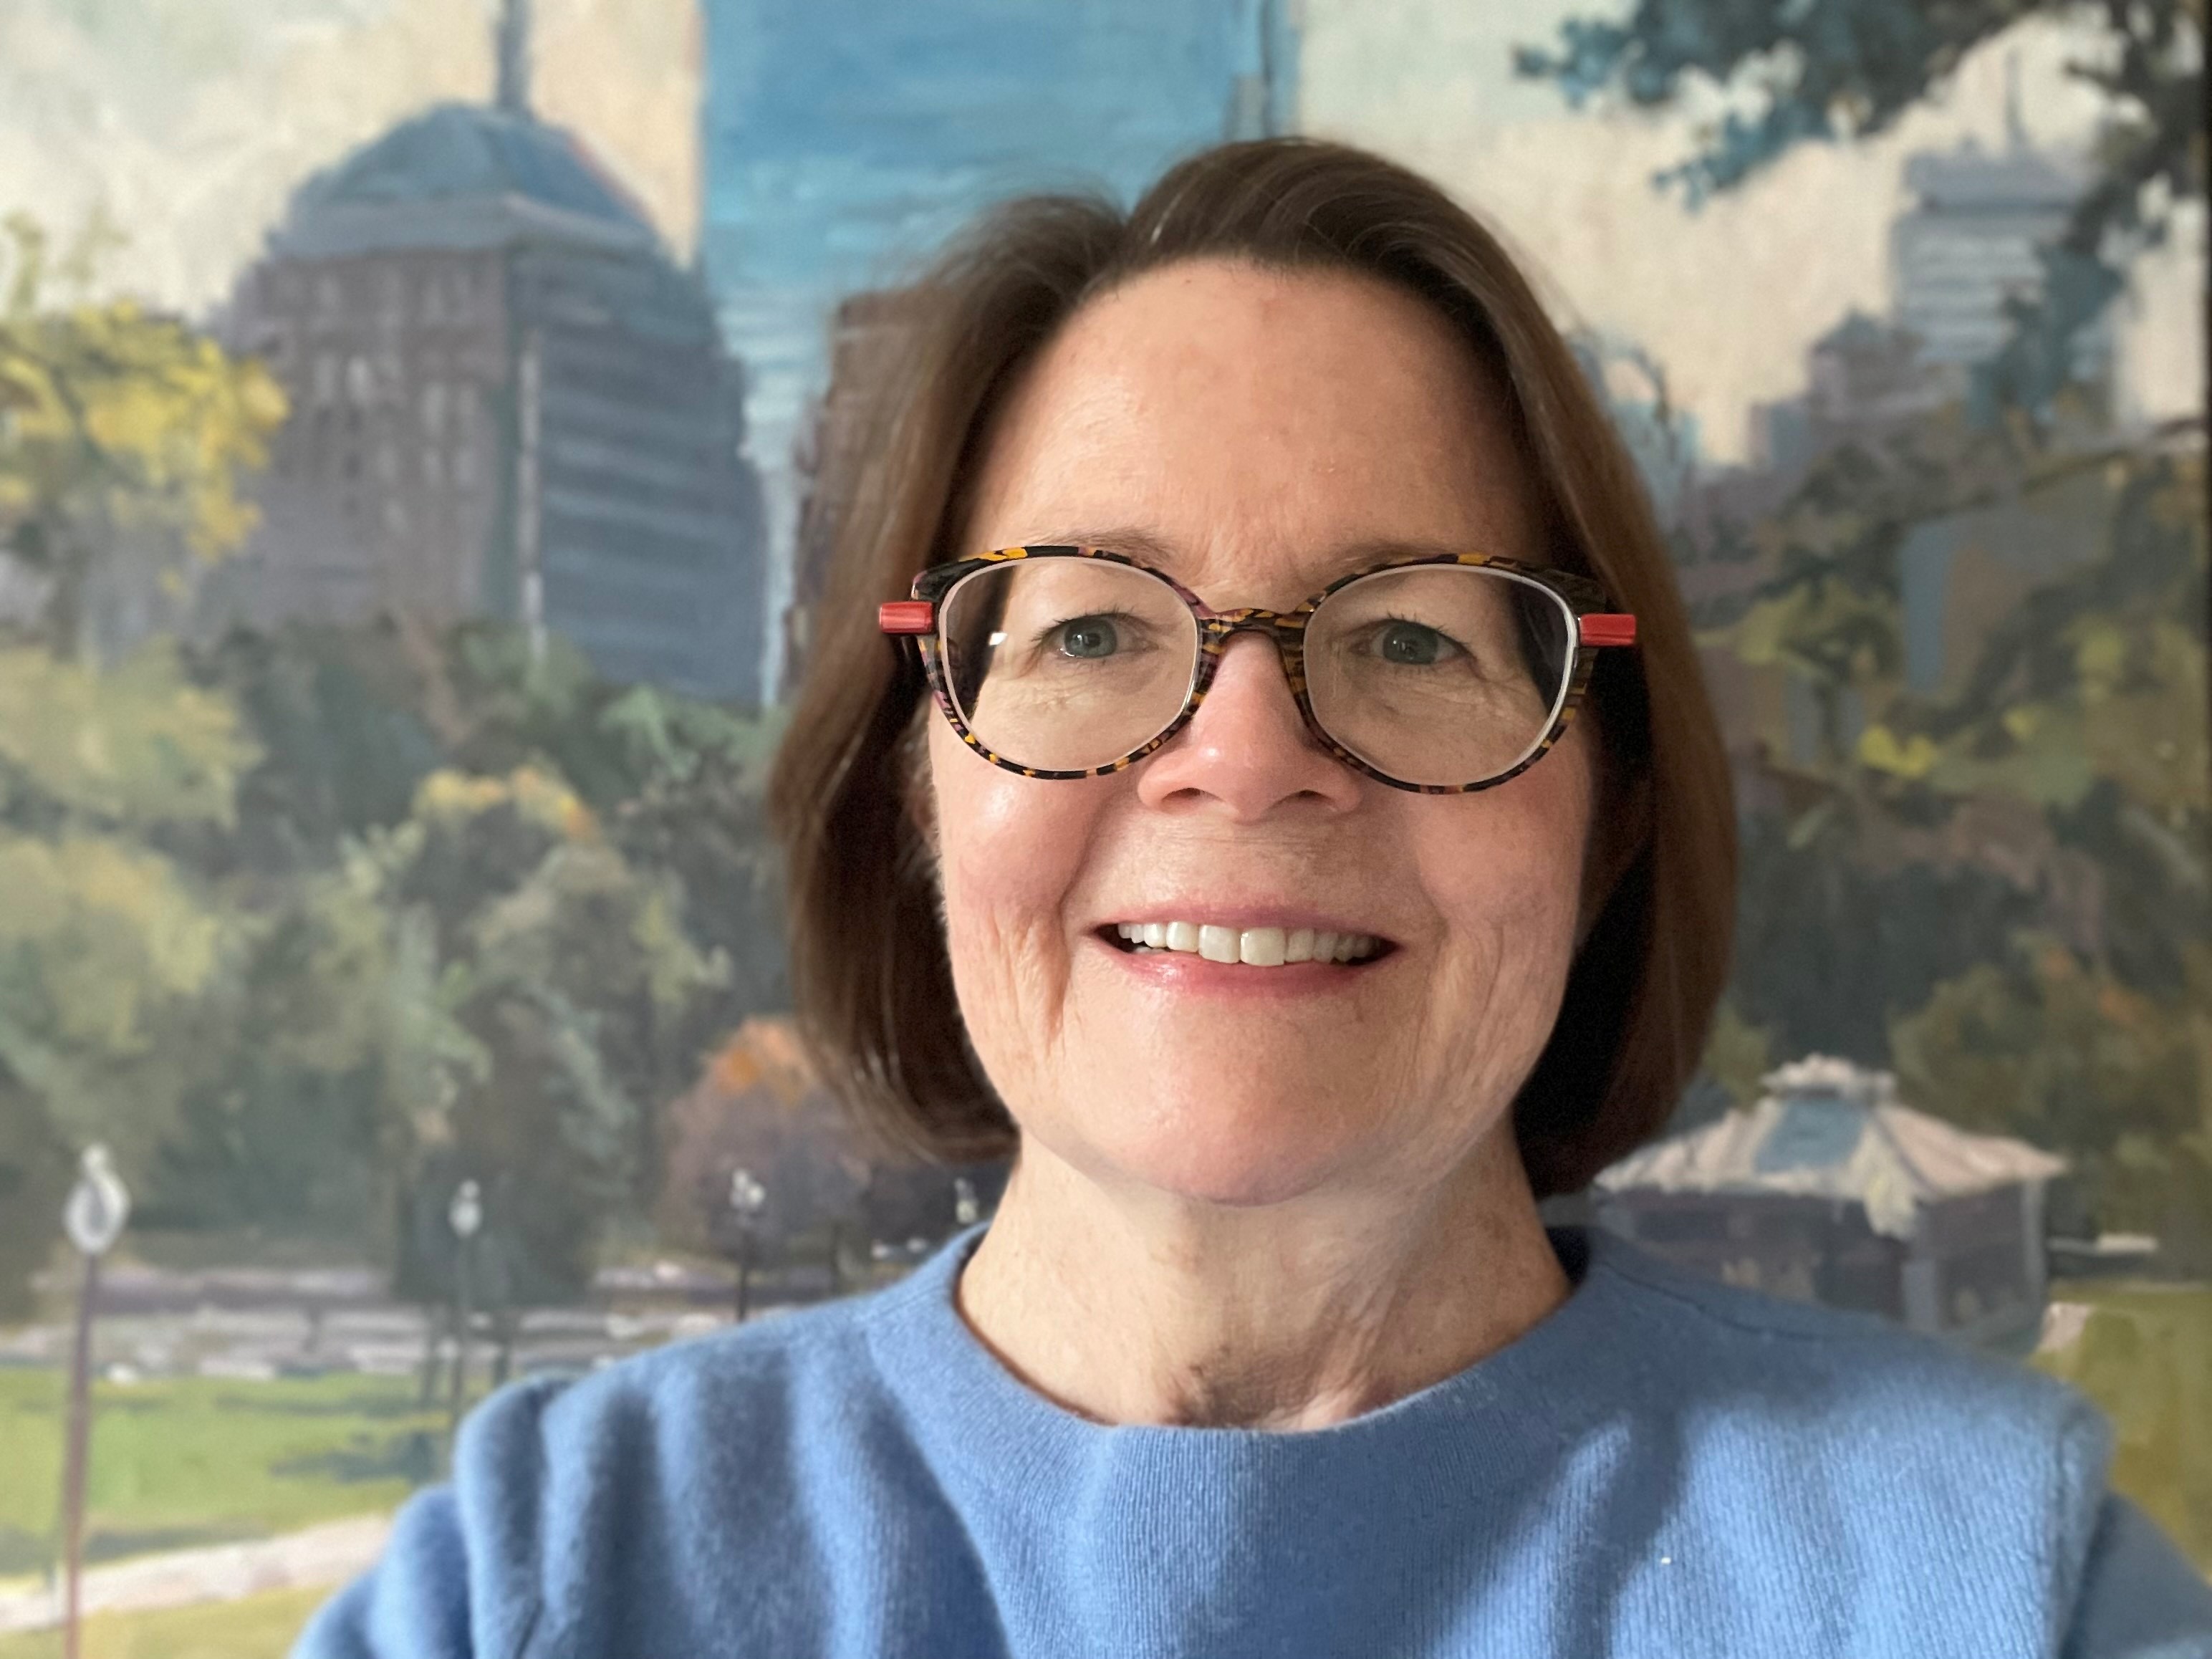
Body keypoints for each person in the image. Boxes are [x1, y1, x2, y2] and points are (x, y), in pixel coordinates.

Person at [295, 138, 2212, 1658]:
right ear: (914, 779)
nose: (1243, 750)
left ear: (1610, 800)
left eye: (1405, 636)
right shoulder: (541, 1578)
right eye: (1096, 625)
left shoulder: (1989, 1583)